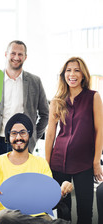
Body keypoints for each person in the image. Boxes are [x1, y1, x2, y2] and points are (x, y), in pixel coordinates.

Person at [0, 40, 49, 185]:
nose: (16, 57)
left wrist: (33, 136)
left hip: (22, 143)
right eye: (13, 53)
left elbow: (45, 114)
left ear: (25, 57)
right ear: (6, 54)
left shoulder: (35, 81)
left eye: (20, 54)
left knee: (20, 187)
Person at [0, 113, 73, 224]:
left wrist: (61, 191)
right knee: (4, 216)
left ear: (29, 135)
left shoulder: (41, 163)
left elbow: (49, 201)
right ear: (8, 137)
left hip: (38, 217)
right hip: (8, 220)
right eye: (13, 133)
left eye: (22, 133)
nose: (18, 137)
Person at [45, 57, 103, 223]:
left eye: (77, 70)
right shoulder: (57, 101)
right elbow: (50, 134)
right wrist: (46, 164)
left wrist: (96, 162)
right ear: (63, 75)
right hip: (58, 162)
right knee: (63, 209)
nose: (72, 74)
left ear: (83, 75)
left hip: (84, 163)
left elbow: (100, 131)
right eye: (68, 70)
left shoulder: (94, 97)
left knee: (85, 212)